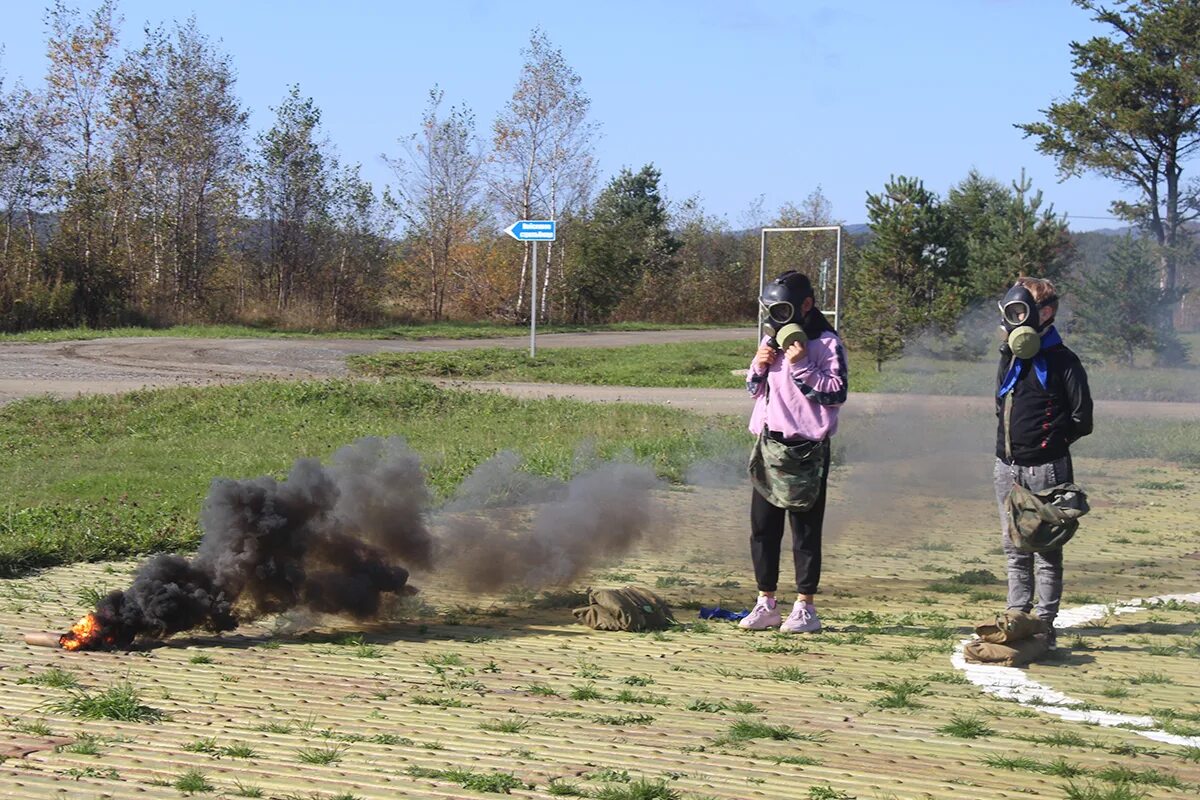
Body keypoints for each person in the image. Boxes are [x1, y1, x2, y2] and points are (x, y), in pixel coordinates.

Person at [740, 271, 847, 634]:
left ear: (806, 305)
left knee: (805, 531)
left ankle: (805, 608)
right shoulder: (772, 340)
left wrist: (802, 365)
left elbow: (835, 393)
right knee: (762, 529)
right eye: (771, 309)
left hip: (807, 450)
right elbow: (754, 390)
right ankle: (766, 603)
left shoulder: (826, 343)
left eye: (785, 308)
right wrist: (758, 364)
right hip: (769, 445)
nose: (778, 316)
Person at [994, 276, 1093, 650]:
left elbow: (1083, 418)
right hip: (1007, 468)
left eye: (1023, 310)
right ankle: (1017, 614)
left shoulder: (1064, 361)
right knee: (1013, 545)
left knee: (1046, 549)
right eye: (1010, 312)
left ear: (1045, 313)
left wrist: (1050, 443)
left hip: (1047, 470)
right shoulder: (1010, 358)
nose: (1015, 319)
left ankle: (1045, 623)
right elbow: (1000, 406)